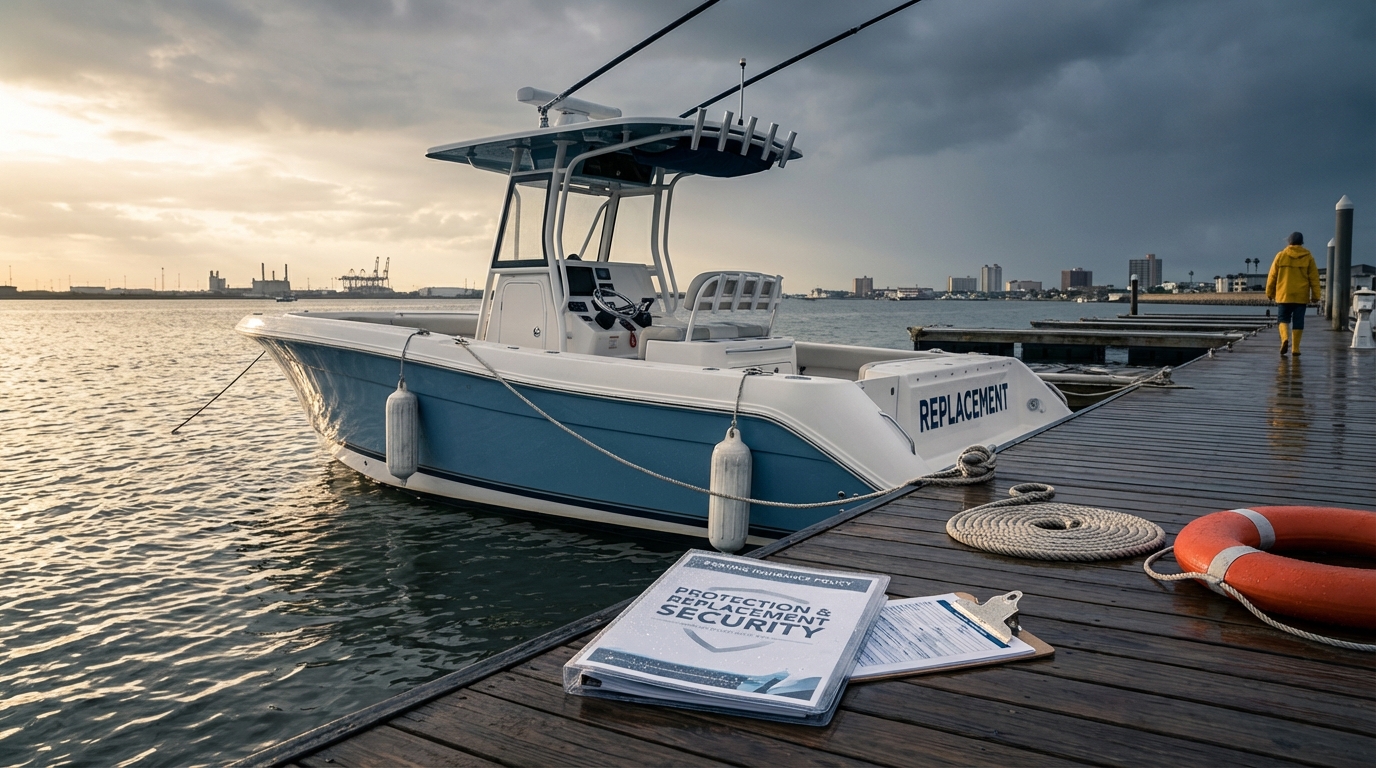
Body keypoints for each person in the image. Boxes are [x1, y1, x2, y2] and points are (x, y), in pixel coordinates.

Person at [1265, 231, 1322, 356]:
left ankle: (1285, 339)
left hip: (1284, 294)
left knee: (1283, 319)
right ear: (1301, 242)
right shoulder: (1308, 257)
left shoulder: (1281, 256)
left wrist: (1269, 292)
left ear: (1289, 242)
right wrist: (1316, 296)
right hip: (1301, 296)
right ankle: (1295, 348)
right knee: (1298, 321)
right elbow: (1314, 278)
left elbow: (1272, 276)